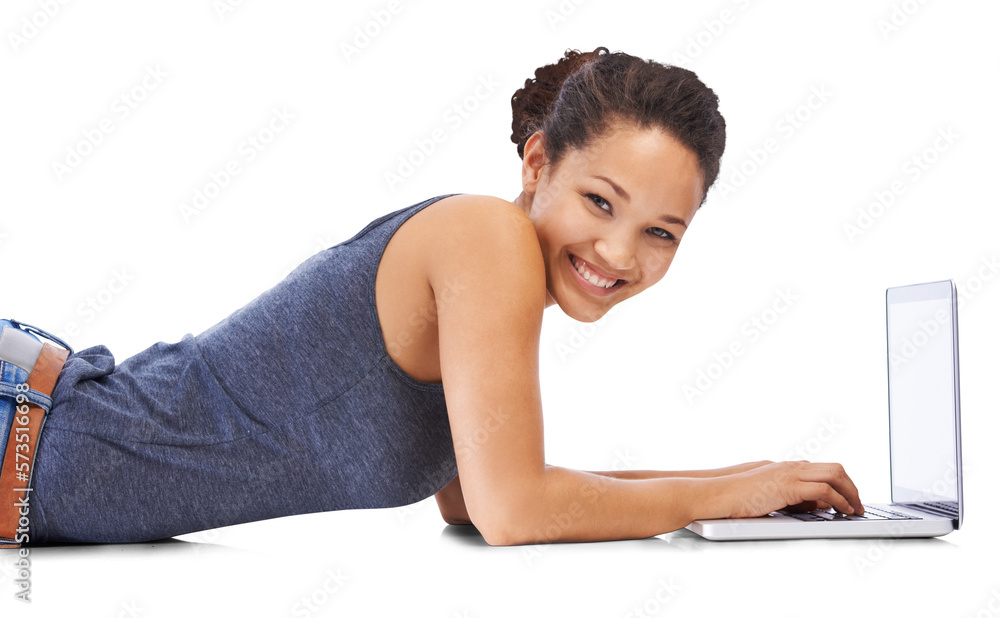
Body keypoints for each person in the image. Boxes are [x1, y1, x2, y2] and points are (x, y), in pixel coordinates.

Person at [2, 46, 863, 547]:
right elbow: (512, 512)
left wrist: (750, 482)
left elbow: (488, 494)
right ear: (537, 165)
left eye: (660, 232)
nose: (617, 251)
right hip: (37, 434)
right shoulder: (487, 241)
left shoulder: (489, 281)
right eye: (601, 202)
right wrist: (726, 495)